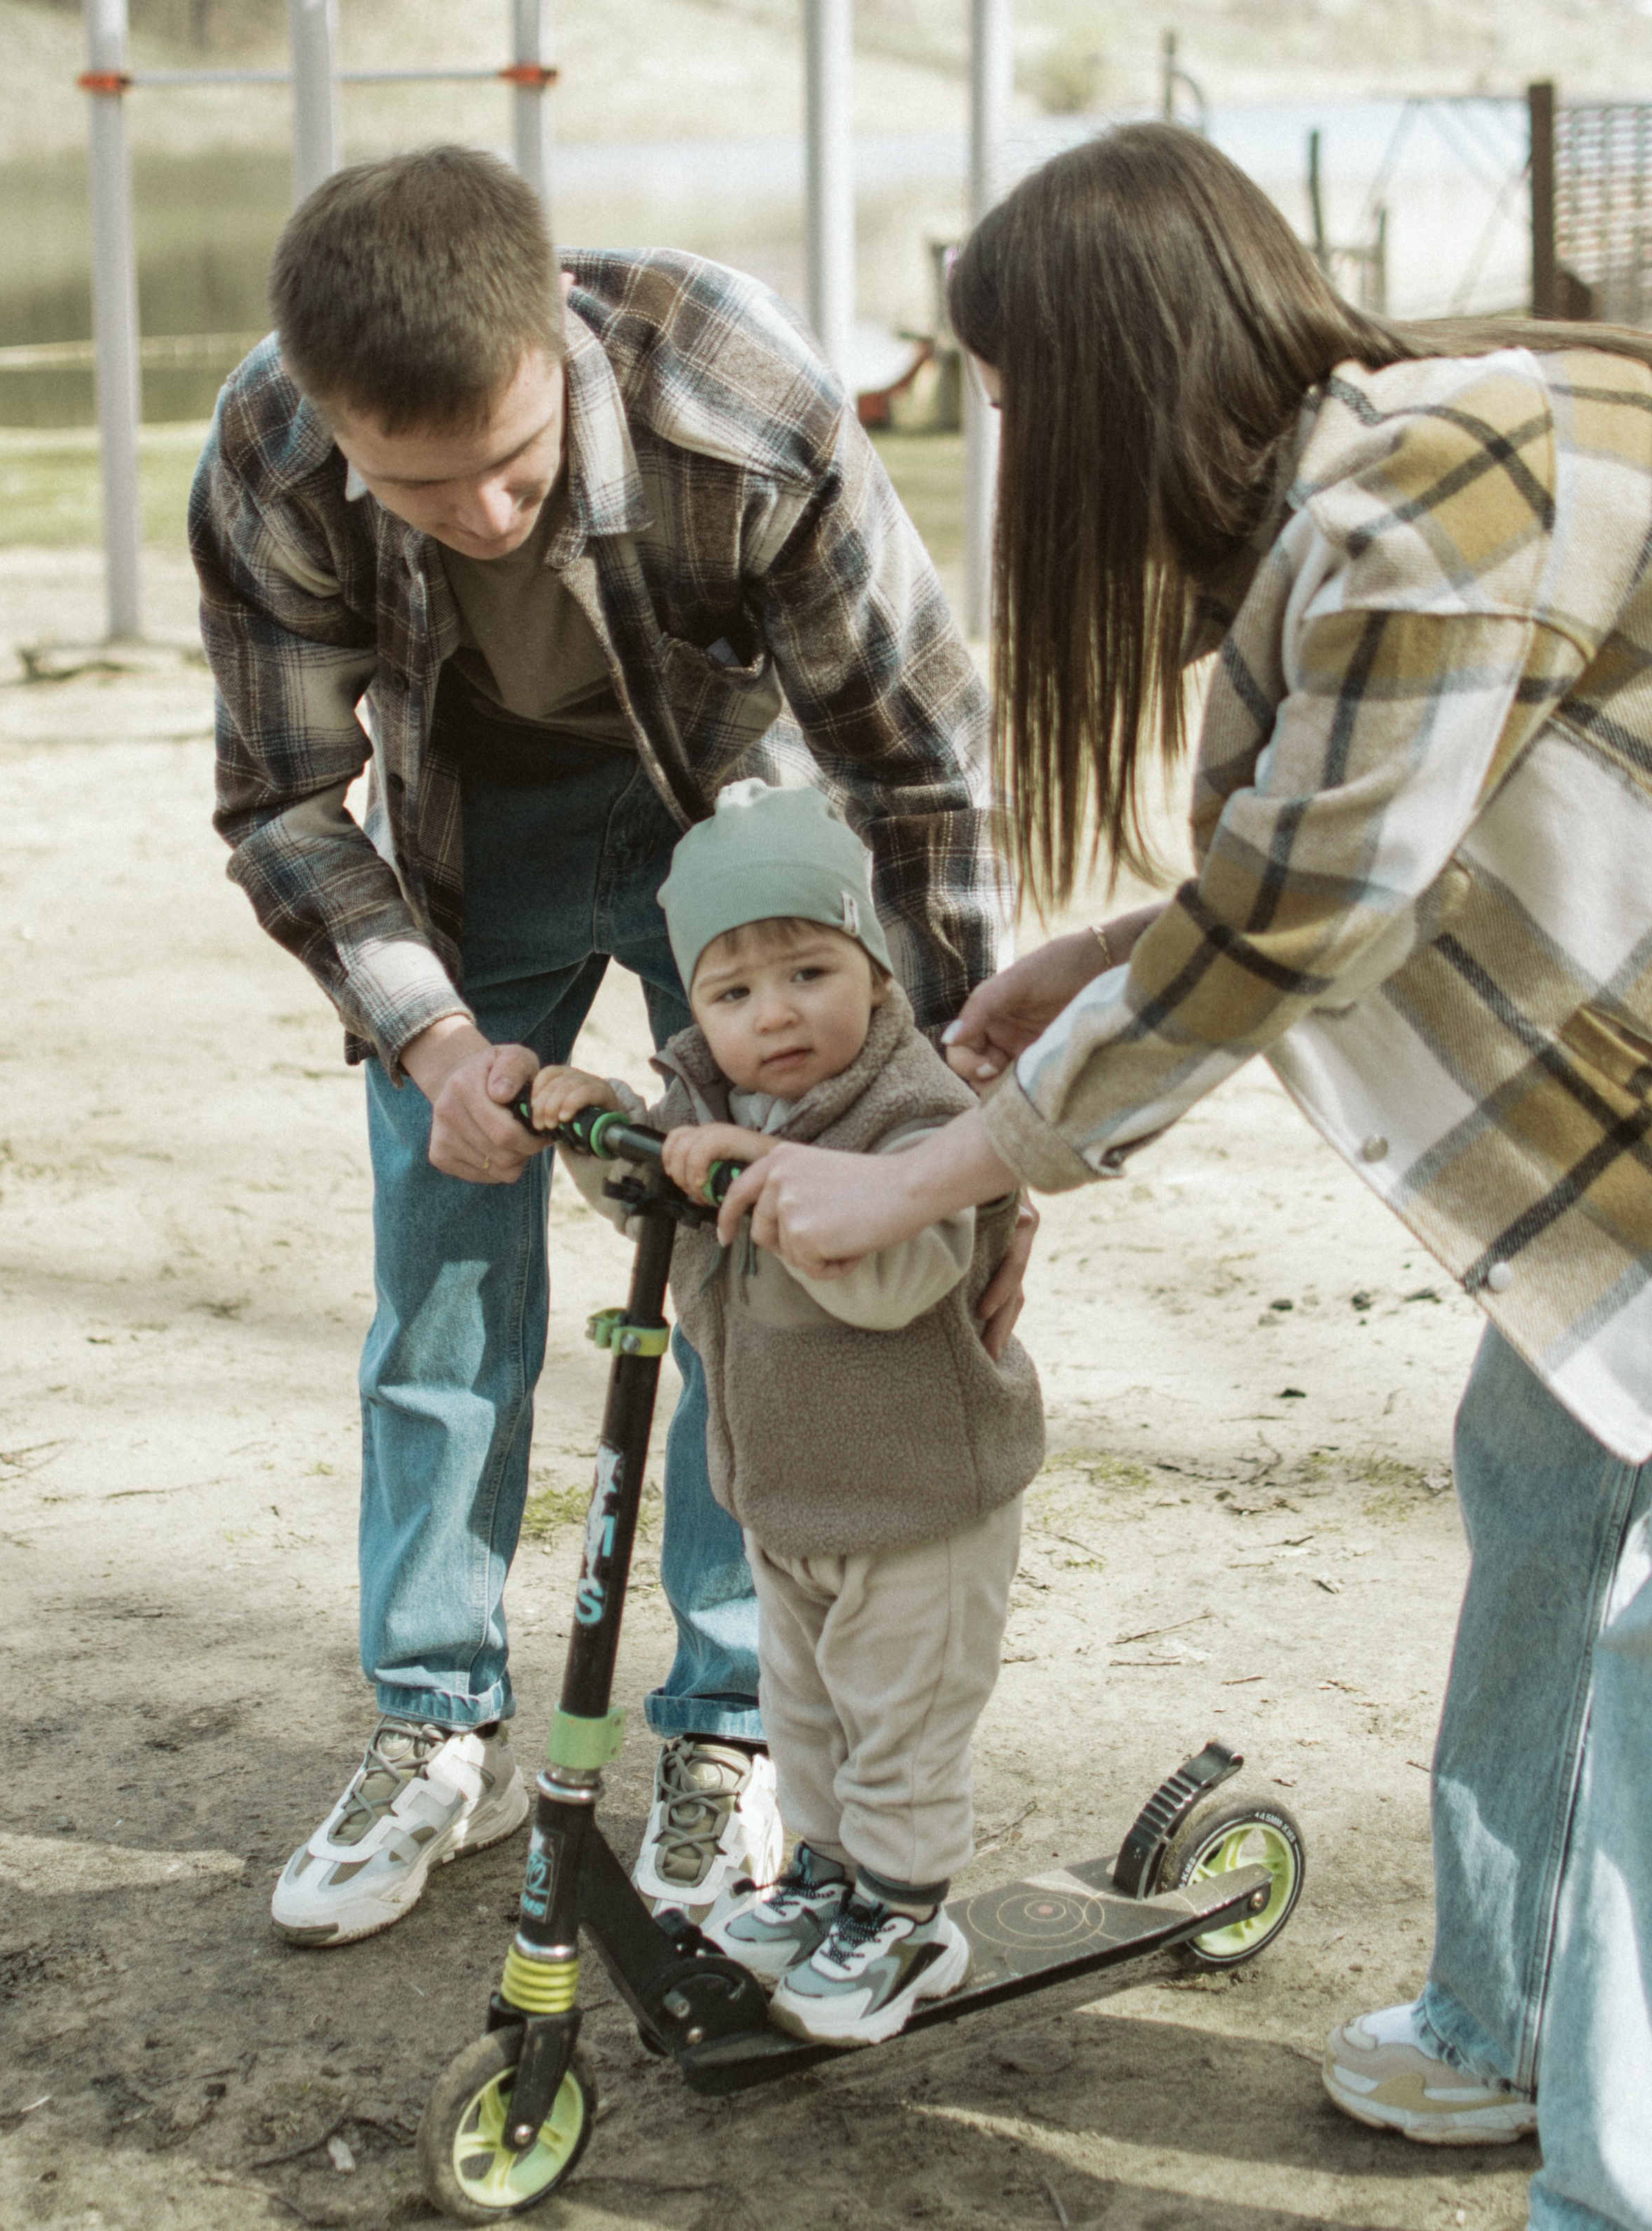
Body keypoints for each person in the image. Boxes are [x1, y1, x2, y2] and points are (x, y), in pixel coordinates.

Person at [722, 125, 1652, 2230]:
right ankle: (1503, 2024)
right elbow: (1361, 837)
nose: (1008, 442)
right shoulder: (1385, 484)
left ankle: (1607, 2185)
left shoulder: (1427, 507)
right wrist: (1104, 955)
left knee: (1645, 1662)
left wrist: (926, 1174)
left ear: (1111, 374)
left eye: (1014, 393)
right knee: (1543, 1486)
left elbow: (1309, 918)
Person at [190, 145, 1023, 1950]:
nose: (483, 515)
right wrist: (431, 1044)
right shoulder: (264, 451)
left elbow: (921, 773)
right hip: (464, 831)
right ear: (331, 422)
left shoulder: (744, 401)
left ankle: (730, 1729)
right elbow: (283, 800)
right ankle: (437, 1724)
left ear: (552, 339)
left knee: (764, 1261)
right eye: (421, 487)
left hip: (734, 840)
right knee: (440, 1282)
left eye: (513, 458)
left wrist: (964, 1132)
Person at [528, 778, 1044, 2046]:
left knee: (900, 1728)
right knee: (806, 1719)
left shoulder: (917, 1112)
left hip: (920, 1503)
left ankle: (908, 1919)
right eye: (733, 992)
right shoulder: (710, 1100)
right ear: (696, 1007)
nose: (776, 1015)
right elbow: (653, 1199)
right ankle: (823, 1881)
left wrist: (761, 1173)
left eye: (811, 973)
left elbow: (893, 1280)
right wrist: (594, 1125)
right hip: (788, 1493)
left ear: (873, 968)